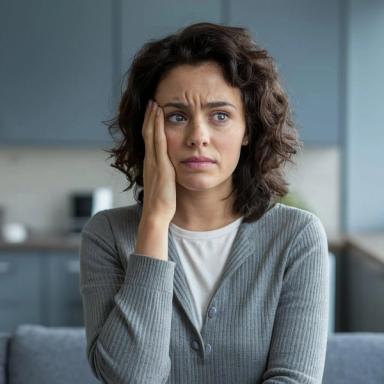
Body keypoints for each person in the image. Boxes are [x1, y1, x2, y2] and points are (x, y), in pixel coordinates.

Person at [80, 22, 329, 384]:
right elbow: (130, 379)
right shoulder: (107, 235)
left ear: (248, 129)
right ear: (148, 131)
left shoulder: (297, 236)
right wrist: (154, 222)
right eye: (177, 116)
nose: (198, 137)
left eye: (220, 116)